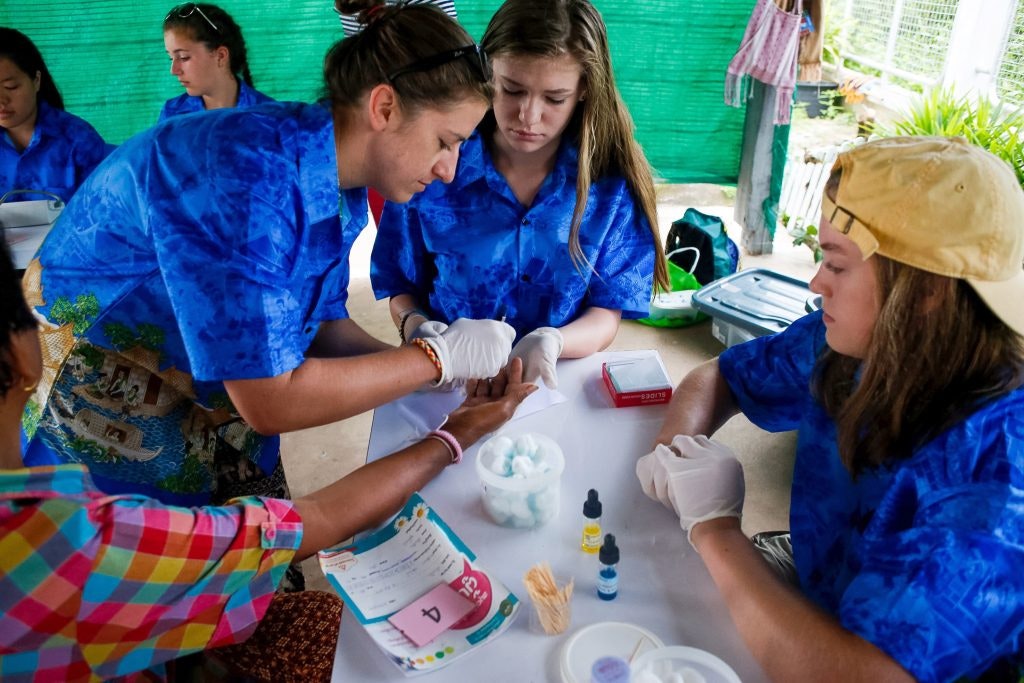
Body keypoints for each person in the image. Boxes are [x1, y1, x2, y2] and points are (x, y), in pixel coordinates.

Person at [21, 0, 513, 576]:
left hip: (209, 389)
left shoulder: (334, 176)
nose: (450, 168)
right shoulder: (247, 181)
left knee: (259, 556)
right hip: (109, 394)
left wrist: (429, 369)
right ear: (383, 107)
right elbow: (272, 400)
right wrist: (432, 358)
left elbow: (320, 325)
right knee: (161, 578)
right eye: (446, 141)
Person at [0, 237, 536, 681]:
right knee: (339, 636)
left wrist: (413, 366)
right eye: (443, 148)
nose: (446, 168)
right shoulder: (75, 542)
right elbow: (306, 519)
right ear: (24, 348)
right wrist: (451, 422)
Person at [636, 137, 1024, 681]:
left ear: (927, 292)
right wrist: (674, 450)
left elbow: (868, 674)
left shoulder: (999, 475)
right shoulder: (849, 342)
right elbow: (719, 376)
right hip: (820, 585)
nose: (816, 283)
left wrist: (714, 527)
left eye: (836, 265)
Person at [370, 0, 668, 390]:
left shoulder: (610, 186)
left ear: (584, 89)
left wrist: (554, 341)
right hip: (444, 377)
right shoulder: (433, 162)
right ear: (486, 71)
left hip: (555, 379)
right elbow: (400, 285)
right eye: (511, 89)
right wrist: (417, 328)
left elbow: (607, 309)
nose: (528, 116)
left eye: (554, 98)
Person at [0, 28, 108, 204]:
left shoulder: (78, 140)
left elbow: (106, 208)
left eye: (11, 87)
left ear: (36, 80)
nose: (1, 101)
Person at [159, 3, 273, 122]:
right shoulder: (172, 115)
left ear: (221, 56)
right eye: (171, 58)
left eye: (184, 57)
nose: (174, 71)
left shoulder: (270, 117)